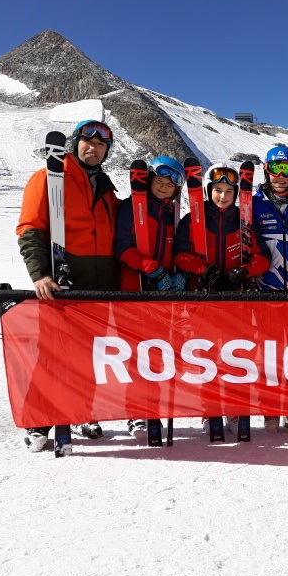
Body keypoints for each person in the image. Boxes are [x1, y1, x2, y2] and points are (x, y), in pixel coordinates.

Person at [16, 119, 121, 451]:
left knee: (90, 355)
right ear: (75, 144)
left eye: (101, 144)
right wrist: (39, 274)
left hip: (101, 285)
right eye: (88, 141)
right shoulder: (49, 177)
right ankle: (39, 421)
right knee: (53, 354)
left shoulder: (107, 189)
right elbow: (30, 228)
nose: (94, 148)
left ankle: (81, 412)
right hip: (63, 281)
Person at [173, 162, 269, 434]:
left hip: (237, 297)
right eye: (217, 190)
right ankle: (210, 408)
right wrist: (205, 270)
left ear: (237, 193)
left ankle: (236, 407)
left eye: (229, 191)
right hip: (204, 295)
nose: (223, 196)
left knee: (236, 353)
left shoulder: (244, 220)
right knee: (207, 354)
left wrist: (244, 271)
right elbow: (179, 254)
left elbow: (263, 258)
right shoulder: (193, 219)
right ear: (207, 190)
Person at [114, 155, 187, 438]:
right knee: (135, 354)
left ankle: (154, 409)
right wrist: (151, 269)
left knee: (157, 354)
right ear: (149, 180)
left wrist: (178, 274)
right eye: (159, 180)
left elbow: (178, 248)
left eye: (170, 184)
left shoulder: (173, 214)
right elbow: (121, 245)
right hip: (133, 289)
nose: (164, 186)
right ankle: (136, 413)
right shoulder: (130, 207)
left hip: (162, 294)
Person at [251, 145, 288, 432]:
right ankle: (271, 406)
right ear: (267, 170)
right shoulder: (253, 204)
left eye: (287, 169)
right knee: (268, 354)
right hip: (265, 290)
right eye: (276, 168)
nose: (281, 175)